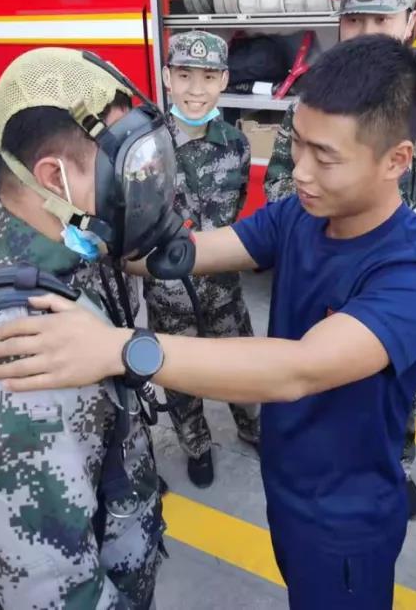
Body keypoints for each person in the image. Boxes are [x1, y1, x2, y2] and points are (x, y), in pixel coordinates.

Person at [0, 36, 416, 608]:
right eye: (296, 143)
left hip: (345, 519)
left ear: (396, 161)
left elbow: (299, 369)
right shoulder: (301, 215)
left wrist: (119, 347)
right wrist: (73, 229)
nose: (300, 171)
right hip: (285, 485)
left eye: (325, 157)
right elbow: (189, 253)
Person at [0, 48, 164, 609]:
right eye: (117, 170)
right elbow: (49, 588)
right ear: (53, 179)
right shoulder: (24, 351)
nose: (132, 186)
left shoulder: (42, 234)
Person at [265, 0, 416, 519]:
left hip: (394, 266)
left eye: (381, 18)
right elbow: (283, 181)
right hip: (328, 259)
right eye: (354, 19)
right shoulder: (316, 100)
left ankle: (396, 465)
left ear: (409, 21)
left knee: (397, 382)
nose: (366, 31)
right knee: (322, 378)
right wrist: (313, 222)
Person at [146, 30, 260, 488]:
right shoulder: (145, 147)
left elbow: (236, 212)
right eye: (184, 75)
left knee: (242, 369)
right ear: (166, 77)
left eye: (209, 77)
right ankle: (196, 447)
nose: (196, 89)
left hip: (224, 290)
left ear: (224, 80)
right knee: (180, 378)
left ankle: (253, 429)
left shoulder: (237, 145)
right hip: (168, 295)